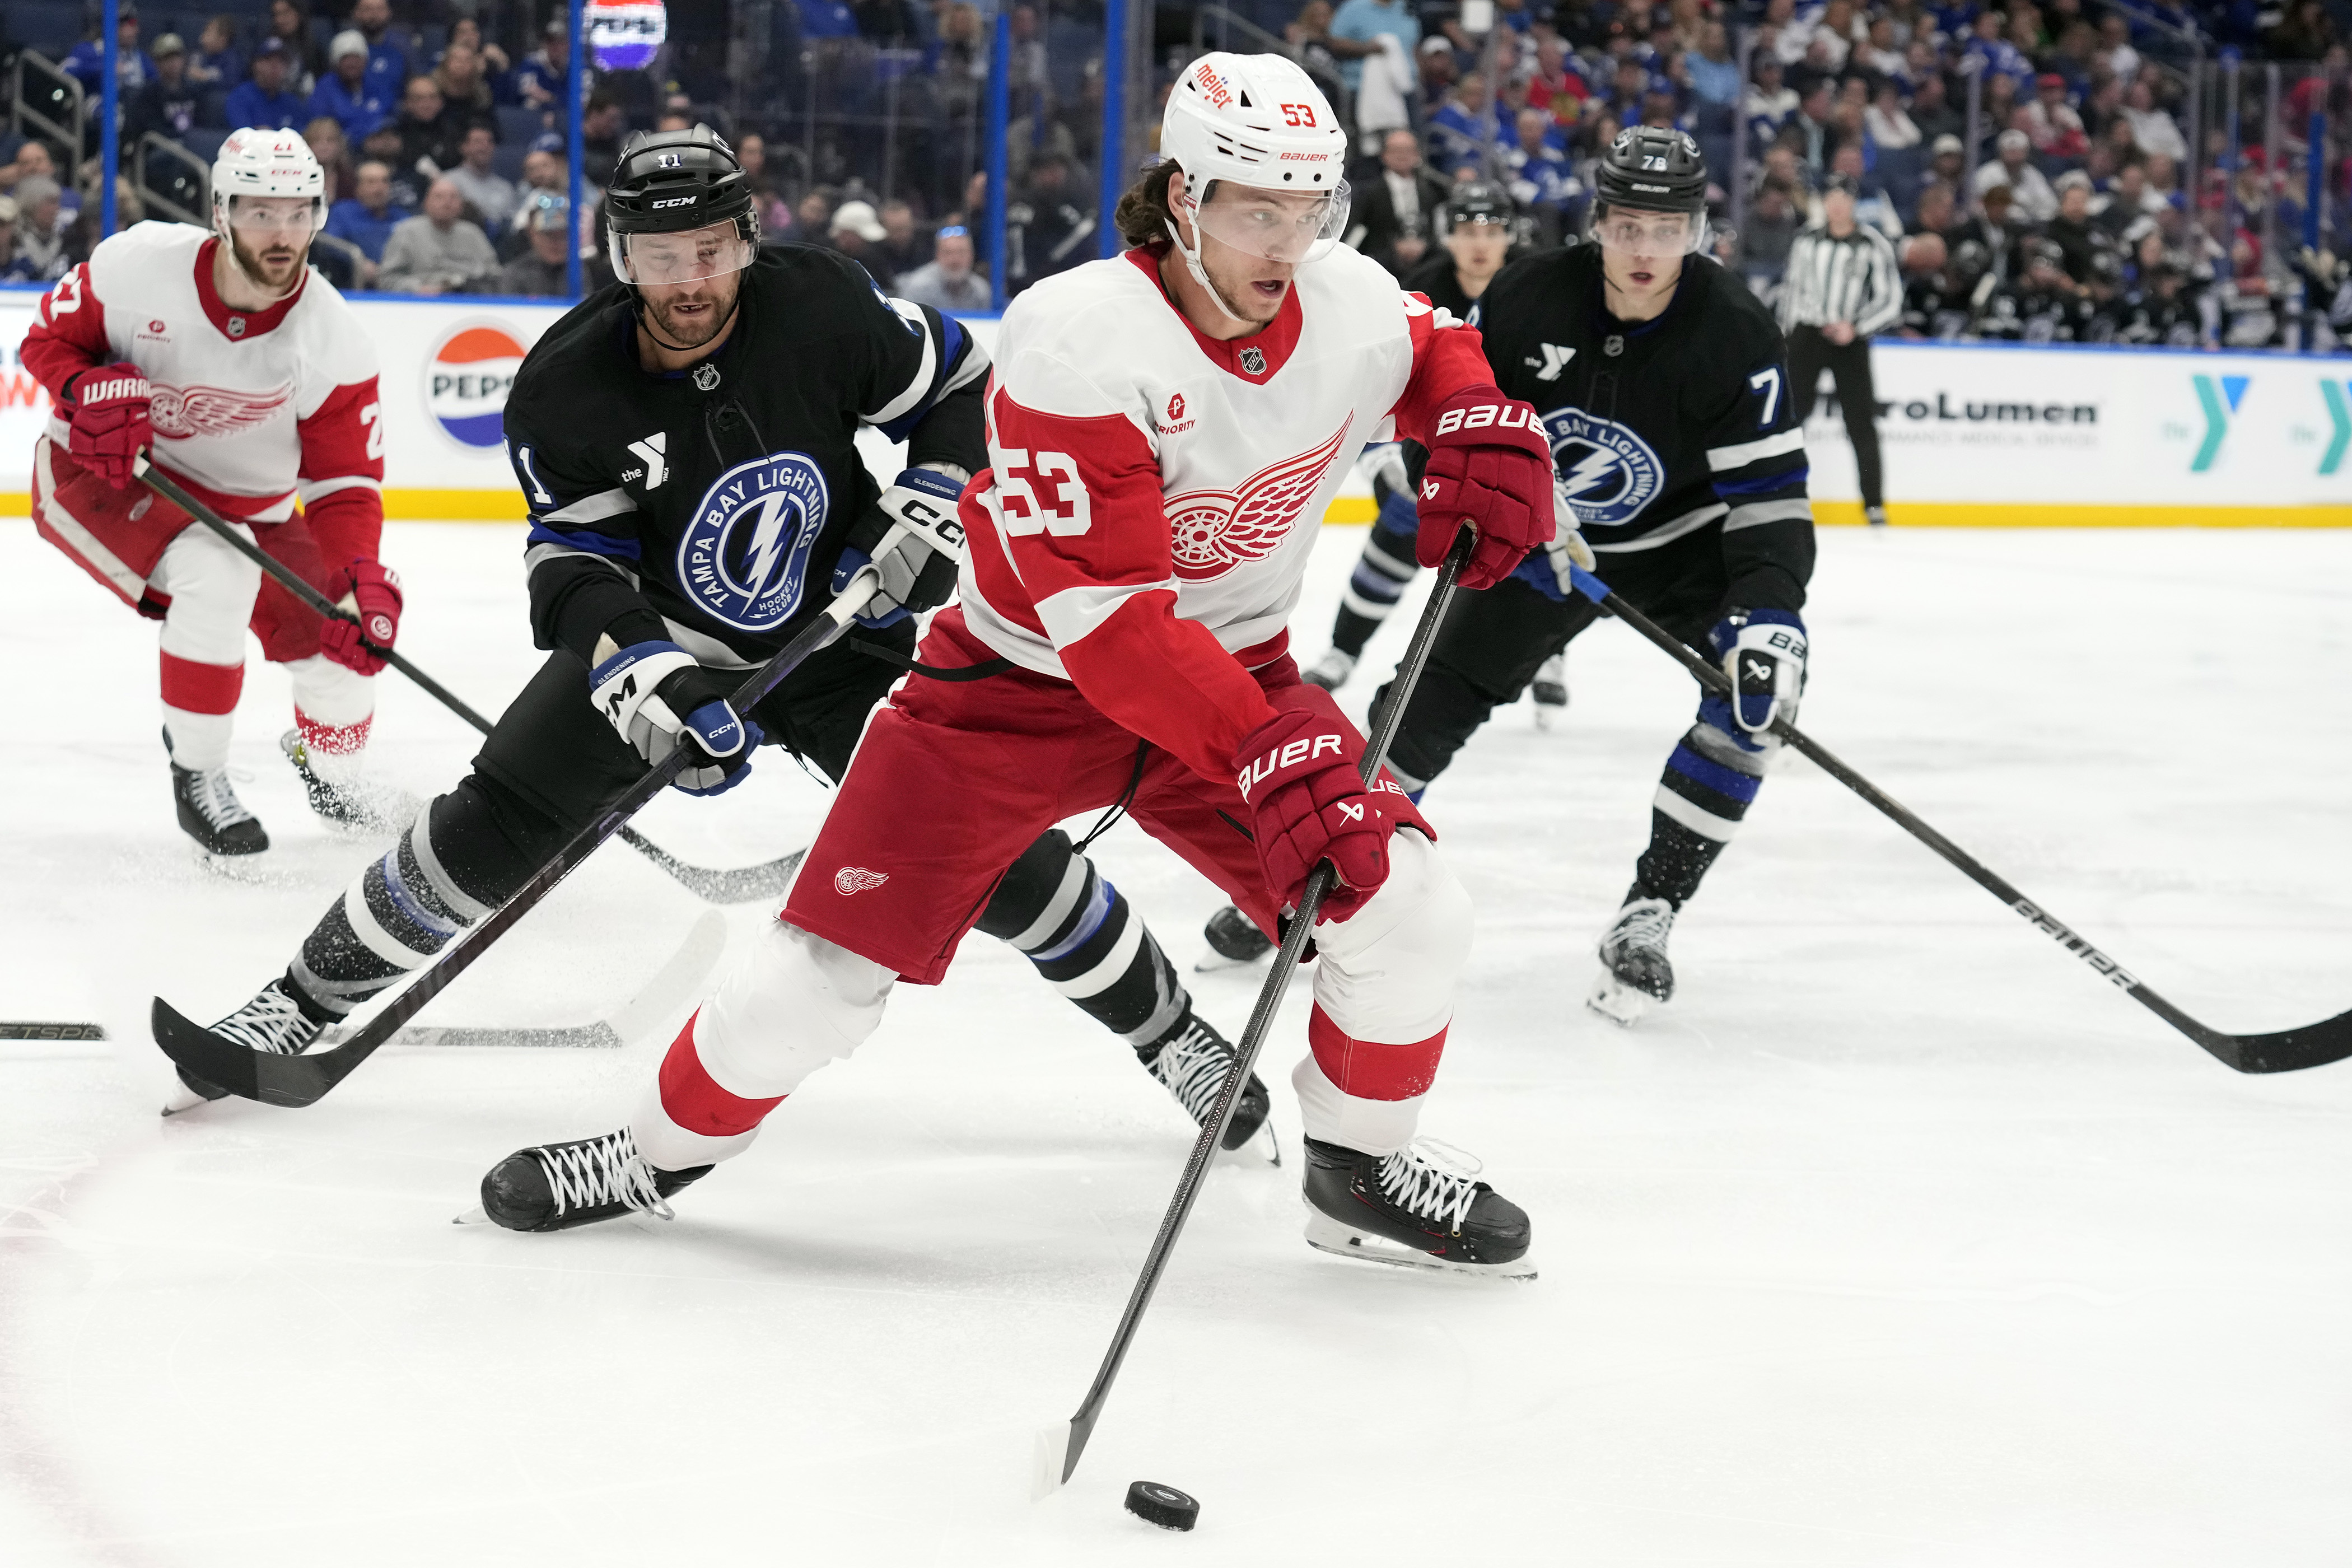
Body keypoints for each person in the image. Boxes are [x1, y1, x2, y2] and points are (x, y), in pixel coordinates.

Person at [469, 59, 1553, 1278]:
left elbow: (1430, 343)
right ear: (1182, 197)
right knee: (814, 982)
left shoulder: (1344, 294)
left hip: (1237, 675)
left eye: (1313, 210)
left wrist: (1471, 414)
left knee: (1410, 908)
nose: (1290, 244)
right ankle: (651, 1150)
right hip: (1013, 690)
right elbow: (1119, 637)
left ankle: (1359, 1171)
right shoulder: (1080, 339)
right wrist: (1266, 745)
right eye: (1259, 210)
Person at [170, 125, 1272, 1165]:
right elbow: (572, 570)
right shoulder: (566, 384)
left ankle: (1172, 1034)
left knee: (998, 848)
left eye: (710, 248)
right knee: (491, 819)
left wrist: (933, 499)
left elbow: (967, 389)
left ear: (746, 241)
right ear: (620, 259)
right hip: (669, 641)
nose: (689, 278)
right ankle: (299, 1002)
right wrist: (647, 677)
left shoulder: (823, 307)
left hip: (848, 631)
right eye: (660, 255)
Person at [1343, 128, 1812, 1028]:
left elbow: (1769, 501)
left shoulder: (1737, 330)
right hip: (1539, 547)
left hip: (1686, 553)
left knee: (1755, 711)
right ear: (1597, 222)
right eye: (1628, 226)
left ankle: (1653, 909)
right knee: (1420, 704)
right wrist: (1510, 499)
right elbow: (1434, 421)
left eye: (1667, 230)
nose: (1645, 251)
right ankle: (1334, 870)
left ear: (1700, 231)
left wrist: (1768, 617)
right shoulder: (1526, 298)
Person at [21, 128, 396, 862]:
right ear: (221, 211)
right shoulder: (136, 265)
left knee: (341, 653)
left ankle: (334, 778)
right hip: (101, 477)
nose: (282, 233)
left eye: (299, 212)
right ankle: (200, 776)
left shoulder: (335, 340)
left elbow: (344, 486)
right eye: (261, 211)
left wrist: (359, 580)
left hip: (246, 510)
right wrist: (83, 386)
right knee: (215, 576)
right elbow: (44, 341)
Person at [1300, 182, 1542, 701]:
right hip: (1427, 460)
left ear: (1510, 238)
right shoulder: (1415, 289)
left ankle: (1548, 659)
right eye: (1467, 231)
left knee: (1530, 558)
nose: (1480, 244)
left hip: (1509, 460)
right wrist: (1384, 466)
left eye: (1493, 231)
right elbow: (1371, 386)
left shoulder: (1536, 295)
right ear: (1447, 237)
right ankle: (1343, 652)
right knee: (1390, 545)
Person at [1780, 170, 1900, 526]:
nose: (1836, 205)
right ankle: (1779, 495)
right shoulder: (1806, 241)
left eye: (1843, 198)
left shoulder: (1871, 244)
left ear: (1853, 203)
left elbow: (1891, 298)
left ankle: (1873, 503)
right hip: (1806, 336)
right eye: (1830, 198)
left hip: (1849, 340)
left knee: (1861, 422)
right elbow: (1792, 290)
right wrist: (1786, 337)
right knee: (1789, 421)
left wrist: (1857, 327)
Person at [1346, 128, 1452, 277]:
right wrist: (1394, 248)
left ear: (1417, 155)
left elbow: (1439, 229)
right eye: (1396, 150)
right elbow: (1357, 232)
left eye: (1408, 150)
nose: (1402, 155)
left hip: (1426, 262)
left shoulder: (1434, 191)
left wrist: (1424, 245)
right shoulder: (1368, 193)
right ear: (1384, 156)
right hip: (1381, 263)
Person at [378, 175, 498, 294]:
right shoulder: (407, 232)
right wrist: (417, 289)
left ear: (461, 205)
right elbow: (387, 279)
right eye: (439, 197)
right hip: (423, 302)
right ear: (426, 203)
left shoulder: (473, 233)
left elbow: (495, 275)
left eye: (453, 198)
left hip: (469, 301)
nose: (447, 203)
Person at [324, 158, 407, 278]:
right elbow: (332, 245)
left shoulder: (402, 217)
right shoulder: (343, 212)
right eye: (371, 182)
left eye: (385, 181)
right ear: (358, 187)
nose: (379, 189)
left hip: (398, 283)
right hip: (354, 282)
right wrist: (358, 262)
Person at [309, 31, 389, 146]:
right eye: (345, 58)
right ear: (335, 63)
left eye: (356, 58)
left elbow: (389, 118)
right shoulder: (325, 89)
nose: (351, 64)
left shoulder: (377, 85)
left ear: (365, 60)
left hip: (377, 149)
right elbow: (320, 129)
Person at [123, 33, 200, 147]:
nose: (174, 63)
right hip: (161, 150)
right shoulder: (147, 95)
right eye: (167, 58)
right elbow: (150, 131)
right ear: (157, 63)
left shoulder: (195, 91)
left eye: (177, 56)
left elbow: (203, 128)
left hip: (192, 148)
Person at [895, 222, 992, 311]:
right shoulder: (919, 288)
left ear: (971, 256)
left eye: (961, 253)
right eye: (948, 253)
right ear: (937, 256)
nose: (955, 260)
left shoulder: (981, 291)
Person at [444, 123, 517, 237]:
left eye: (489, 142)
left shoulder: (505, 187)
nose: (484, 147)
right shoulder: (449, 182)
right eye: (478, 142)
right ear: (464, 148)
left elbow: (512, 226)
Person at [226, 40, 310, 132]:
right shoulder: (240, 98)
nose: (275, 66)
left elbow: (301, 138)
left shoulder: (293, 104)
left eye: (281, 62)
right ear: (256, 65)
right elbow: (242, 136)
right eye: (269, 60)